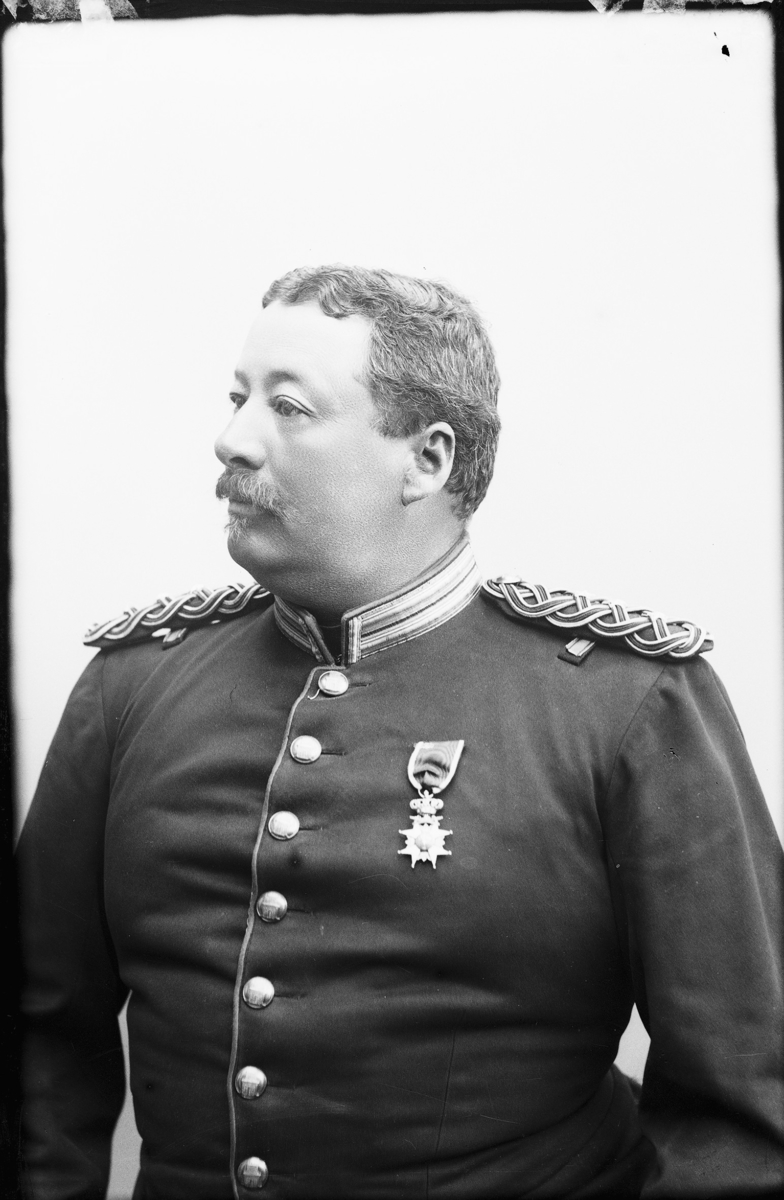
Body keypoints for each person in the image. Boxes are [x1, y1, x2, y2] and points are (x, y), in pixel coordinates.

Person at [17, 265, 784, 1200]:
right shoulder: (132, 687)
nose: (233, 439)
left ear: (426, 459)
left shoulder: (626, 703)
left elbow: (743, 1110)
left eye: (288, 407)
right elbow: (42, 1049)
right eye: (236, 398)